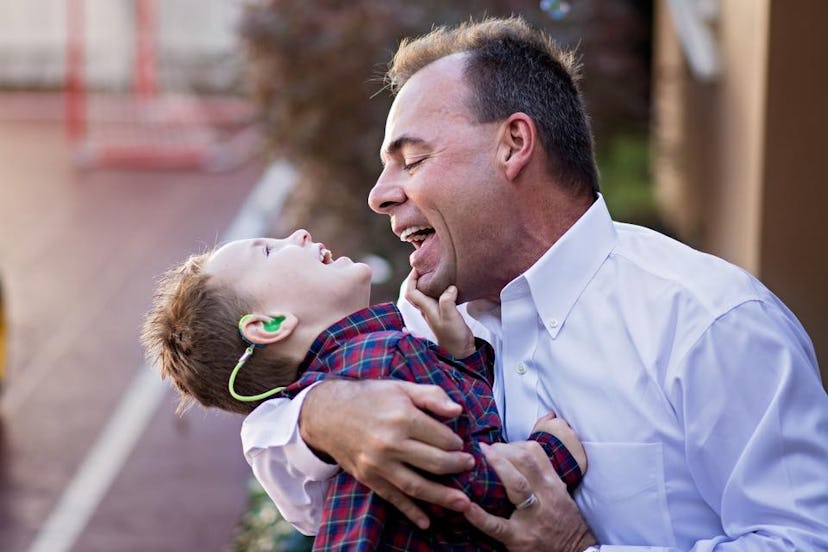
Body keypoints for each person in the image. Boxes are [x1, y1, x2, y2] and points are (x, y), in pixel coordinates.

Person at [245, 16, 828, 552]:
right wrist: (321, 416)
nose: (380, 194)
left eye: (413, 159)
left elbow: (804, 540)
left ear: (514, 145)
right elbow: (298, 495)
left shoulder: (709, 321)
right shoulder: (422, 320)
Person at [141, 229, 586, 550]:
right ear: (270, 325)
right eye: (270, 251)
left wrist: (461, 356)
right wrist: (554, 456)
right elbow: (463, 492)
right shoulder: (382, 359)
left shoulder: (366, 364)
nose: (297, 235)